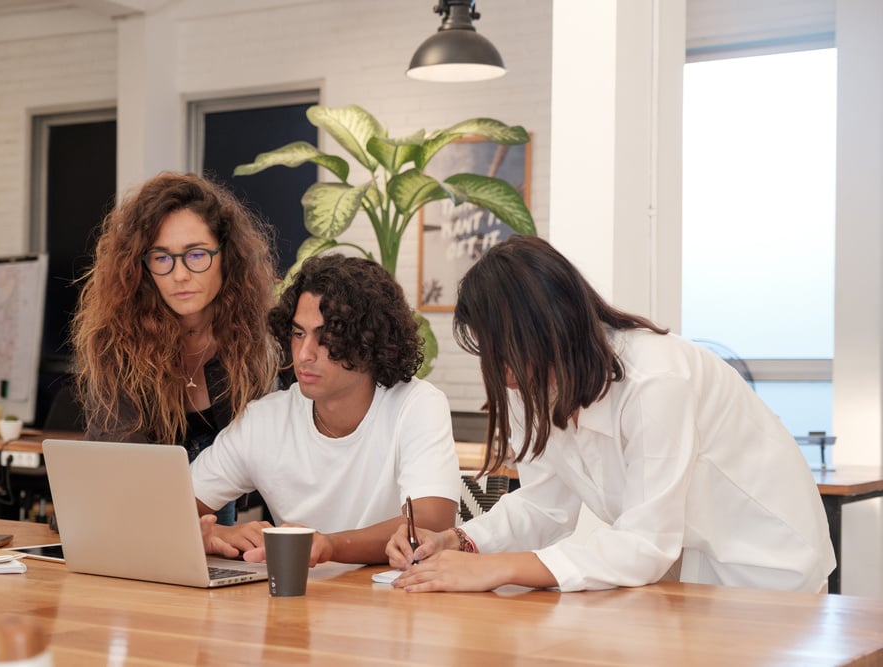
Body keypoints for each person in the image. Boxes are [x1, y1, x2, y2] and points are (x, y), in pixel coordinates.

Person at [385, 235, 835, 593]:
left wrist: (499, 569)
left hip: (768, 564)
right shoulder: (525, 382)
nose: (501, 372)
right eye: (489, 351)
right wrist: (463, 543)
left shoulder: (656, 379)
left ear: (552, 327)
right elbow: (545, 506)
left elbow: (645, 543)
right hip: (687, 569)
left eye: (506, 348)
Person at [191, 253, 461, 565]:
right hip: (298, 603)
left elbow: (431, 523)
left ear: (369, 341)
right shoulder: (264, 420)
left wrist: (329, 546)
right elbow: (167, 510)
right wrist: (211, 535)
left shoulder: (416, 405)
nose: (304, 354)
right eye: (298, 333)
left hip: (400, 600)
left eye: (326, 336)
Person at [71, 172, 279, 525]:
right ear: (143, 265)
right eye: (161, 257)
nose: (180, 274)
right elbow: (123, 469)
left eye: (196, 254)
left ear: (225, 256)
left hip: (220, 510)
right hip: (130, 510)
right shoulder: (115, 341)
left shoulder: (262, 339)